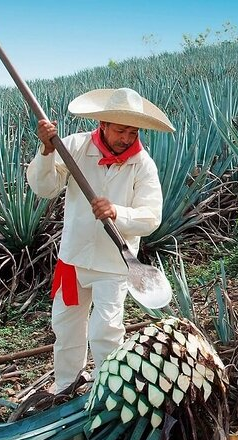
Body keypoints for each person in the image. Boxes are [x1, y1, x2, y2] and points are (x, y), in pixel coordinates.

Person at [27, 87, 175, 393]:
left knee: (105, 329)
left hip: (115, 264)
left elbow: (151, 217)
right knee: (66, 326)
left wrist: (116, 212)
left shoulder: (143, 165)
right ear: (103, 125)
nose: (126, 138)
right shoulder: (75, 147)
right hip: (73, 259)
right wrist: (46, 150)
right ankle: (66, 385)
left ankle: (111, 389)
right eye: (120, 130)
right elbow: (45, 187)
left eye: (132, 132)